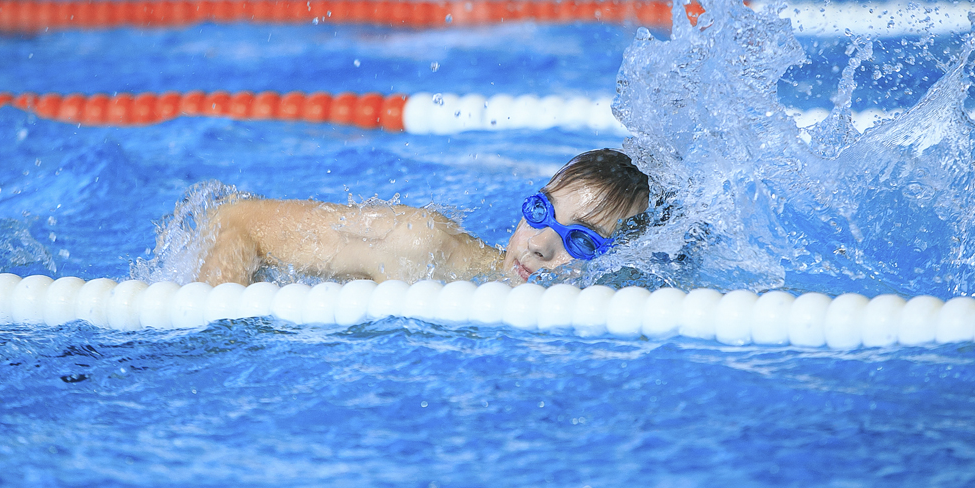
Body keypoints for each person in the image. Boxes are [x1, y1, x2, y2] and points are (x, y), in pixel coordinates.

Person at [196, 148, 650, 286]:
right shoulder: (422, 250)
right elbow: (240, 221)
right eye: (540, 212)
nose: (538, 244)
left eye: (581, 242)